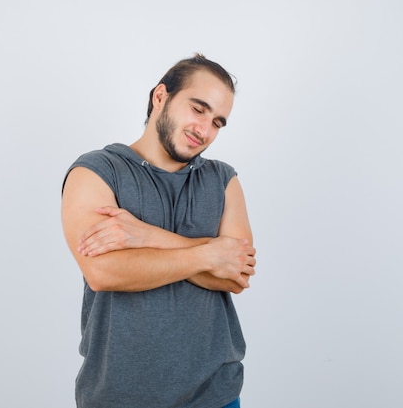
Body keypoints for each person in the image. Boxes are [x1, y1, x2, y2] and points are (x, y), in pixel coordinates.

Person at [61, 54, 256, 408]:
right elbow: (103, 272)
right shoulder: (96, 171)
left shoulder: (223, 179)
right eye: (198, 109)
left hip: (215, 395)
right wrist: (211, 253)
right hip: (119, 397)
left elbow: (237, 275)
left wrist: (147, 237)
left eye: (217, 122)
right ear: (161, 96)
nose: (205, 130)